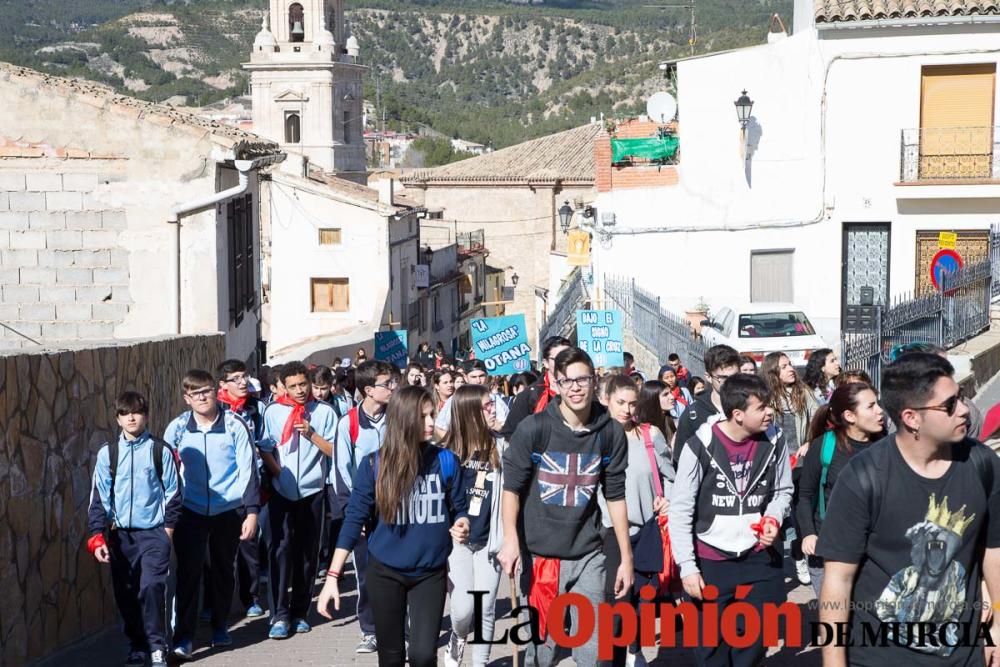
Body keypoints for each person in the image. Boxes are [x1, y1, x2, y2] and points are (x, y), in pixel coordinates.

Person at [818, 352, 1000, 667]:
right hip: (880, 657)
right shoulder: (863, 478)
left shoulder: (982, 464)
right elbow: (838, 581)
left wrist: (997, 625)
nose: (964, 410)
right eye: (949, 405)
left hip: (964, 656)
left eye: (961, 397)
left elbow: (994, 553)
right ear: (911, 418)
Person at [316, 386, 471, 667]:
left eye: (432, 415)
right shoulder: (375, 464)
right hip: (385, 572)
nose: (430, 423)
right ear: (403, 419)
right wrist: (332, 577)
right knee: (391, 656)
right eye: (422, 417)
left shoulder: (446, 460)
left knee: (423, 655)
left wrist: (462, 521)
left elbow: (459, 507)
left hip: (430, 573)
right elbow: (353, 521)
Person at [499, 347, 632, 667]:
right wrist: (510, 539)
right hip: (542, 557)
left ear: (594, 381)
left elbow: (615, 495)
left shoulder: (610, 432)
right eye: (566, 381)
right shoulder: (533, 429)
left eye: (582, 379)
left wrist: (626, 557)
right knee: (542, 651)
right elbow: (512, 489)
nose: (575, 387)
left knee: (592, 650)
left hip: (589, 553)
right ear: (556, 384)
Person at [669, 373, 793, 667]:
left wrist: (773, 518)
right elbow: (681, 508)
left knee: (755, 639)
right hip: (711, 559)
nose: (769, 412)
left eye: (769, 405)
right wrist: (687, 567)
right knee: (710, 647)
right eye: (761, 407)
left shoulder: (775, 440)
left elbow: (783, 490)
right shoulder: (700, 445)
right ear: (737, 414)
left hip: (759, 557)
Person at [165, 370, 260, 660]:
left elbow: (248, 469)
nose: (203, 397)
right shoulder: (178, 428)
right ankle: (183, 637)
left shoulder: (234, 424)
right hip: (190, 511)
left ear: (215, 392)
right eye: (196, 394)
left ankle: (220, 626)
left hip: (227, 511)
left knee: (222, 570)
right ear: (186, 398)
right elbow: (167, 473)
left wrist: (252, 512)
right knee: (188, 574)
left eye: (206, 391)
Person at [88, 391, 180, 667]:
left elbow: (174, 495)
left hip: (154, 534)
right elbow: (99, 498)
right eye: (125, 413)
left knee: (152, 586)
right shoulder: (108, 454)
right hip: (120, 536)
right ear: (117, 419)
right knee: (127, 593)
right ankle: (137, 645)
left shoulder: (160, 450)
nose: (131, 417)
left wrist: (167, 532)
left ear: (146, 416)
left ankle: (156, 645)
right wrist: (96, 536)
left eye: (137, 412)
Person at [258, 361, 338, 640]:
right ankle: (279, 614)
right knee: (279, 551)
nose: (300, 390)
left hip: (313, 491)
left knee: (307, 553)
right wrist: (277, 472)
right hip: (282, 491)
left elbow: (335, 451)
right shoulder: (273, 411)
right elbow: (265, 446)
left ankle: (300, 612)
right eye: (293, 386)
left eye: (303, 384)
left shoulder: (325, 412)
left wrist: (312, 434)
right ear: (284, 387)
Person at [600, 375, 674, 667]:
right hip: (609, 535)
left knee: (645, 602)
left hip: (646, 532)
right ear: (606, 399)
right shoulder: (595, 437)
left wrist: (667, 497)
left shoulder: (650, 435)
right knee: (617, 607)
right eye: (620, 402)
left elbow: (672, 476)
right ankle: (619, 656)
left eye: (632, 404)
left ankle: (634, 646)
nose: (627, 410)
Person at [794, 382, 884, 596]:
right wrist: (808, 534)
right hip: (829, 549)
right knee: (835, 619)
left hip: (872, 551)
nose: (880, 411)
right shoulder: (824, 447)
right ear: (850, 416)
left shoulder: (887, 446)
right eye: (871, 406)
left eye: (878, 404)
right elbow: (805, 496)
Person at [333, 359, 396, 653]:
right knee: (367, 572)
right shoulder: (349, 423)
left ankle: (401, 627)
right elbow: (341, 470)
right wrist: (352, 514)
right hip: (365, 509)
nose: (393, 388)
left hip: (397, 505)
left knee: (399, 568)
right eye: (387, 384)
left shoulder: (398, 416)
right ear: (369, 390)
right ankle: (370, 629)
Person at [441, 385, 506, 667]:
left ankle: (479, 663)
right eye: (487, 405)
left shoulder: (502, 446)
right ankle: (457, 637)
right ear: (469, 412)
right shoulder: (446, 453)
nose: (493, 408)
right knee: (462, 610)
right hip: (457, 542)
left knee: (486, 607)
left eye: (492, 403)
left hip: (490, 539)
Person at [216, 359, 267, 619]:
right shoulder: (216, 409)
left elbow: (266, 441)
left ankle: (251, 597)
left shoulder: (257, 408)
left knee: (249, 543)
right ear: (223, 384)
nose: (242, 382)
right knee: (216, 551)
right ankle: (213, 605)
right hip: (221, 489)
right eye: (235, 378)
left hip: (252, 484)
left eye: (244, 376)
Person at [672, 345, 741, 465]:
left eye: (735, 377)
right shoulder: (693, 415)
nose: (731, 382)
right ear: (708, 377)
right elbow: (681, 460)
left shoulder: (749, 408)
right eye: (723, 378)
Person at [500, 335, 573, 440]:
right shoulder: (528, 395)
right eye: (557, 358)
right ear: (546, 363)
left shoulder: (583, 390)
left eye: (568, 357)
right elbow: (511, 433)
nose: (564, 362)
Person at [435, 359, 509, 439]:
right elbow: (439, 427)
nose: (478, 381)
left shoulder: (496, 399)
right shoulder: (456, 399)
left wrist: (497, 427)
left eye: (481, 376)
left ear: (487, 377)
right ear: (466, 378)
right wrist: (456, 445)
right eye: (473, 377)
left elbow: (509, 429)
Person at [637, 379, 676, 445]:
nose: (672, 397)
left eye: (670, 393)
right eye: (665, 394)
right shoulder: (643, 430)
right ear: (653, 399)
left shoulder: (673, 422)